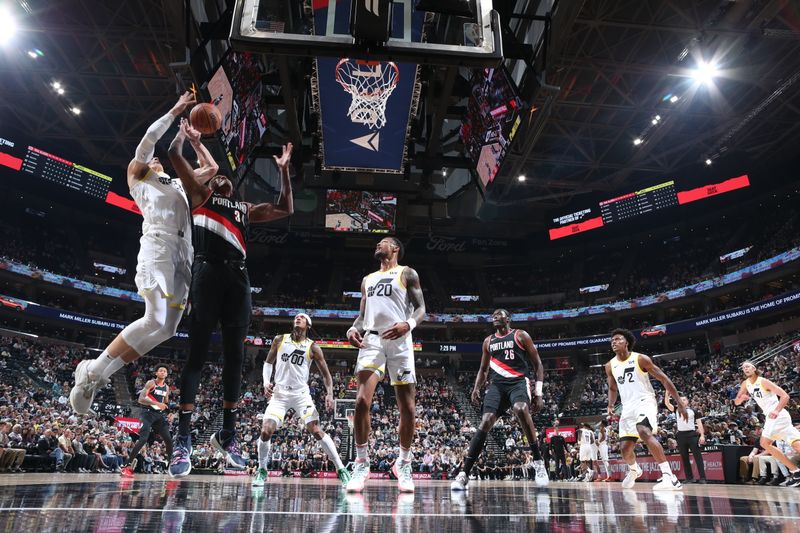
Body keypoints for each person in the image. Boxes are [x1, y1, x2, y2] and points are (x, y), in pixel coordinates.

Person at [168, 120, 294, 477]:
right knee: (196, 356)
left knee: (235, 360)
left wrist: (283, 172)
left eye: (227, 178)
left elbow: (286, 208)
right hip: (206, 274)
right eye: (216, 176)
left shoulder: (246, 210)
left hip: (238, 279)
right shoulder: (199, 195)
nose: (222, 177)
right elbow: (174, 154)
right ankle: (184, 438)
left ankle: (228, 434)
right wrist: (186, 136)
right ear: (209, 182)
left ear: (234, 188)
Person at [69, 92, 204, 414]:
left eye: (158, 160)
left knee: (168, 328)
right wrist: (175, 112)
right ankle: (93, 371)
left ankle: (97, 372)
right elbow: (148, 140)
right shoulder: (140, 176)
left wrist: (196, 143)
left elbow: (208, 171)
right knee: (152, 317)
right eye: (153, 159)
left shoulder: (178, 184)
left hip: (184, 252)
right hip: (158, 243)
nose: (155, 159)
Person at [344, 237, 426, 493]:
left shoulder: (407, 273)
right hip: (372, 340)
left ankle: (403, 463)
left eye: (383, 242)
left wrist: (408, 324)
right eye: (376, 243)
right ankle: (361, 462)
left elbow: (421, 308)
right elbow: (361, 315)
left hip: (400, 341)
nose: (377, 245)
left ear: (396, 248)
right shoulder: (367, 279)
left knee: (408, 407)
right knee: (361, 401)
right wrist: (352, 328)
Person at [451, 309, 549, 491]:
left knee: (520, 409)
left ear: (508, 319)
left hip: (519, 382)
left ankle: (538, 462)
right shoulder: (488, 341)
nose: (495, 317)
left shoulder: (520, 335)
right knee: (486, 421)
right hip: (497, 385)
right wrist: (476, 388)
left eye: (499, 314)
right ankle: (464, 473)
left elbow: (538, 365)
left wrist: (539, 393)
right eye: (493, 316)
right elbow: (483, 369)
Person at [252, 313, 350, 486]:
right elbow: (268, 363)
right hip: (280, 394)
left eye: (302, 318)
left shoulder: (313, 347)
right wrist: (266, 381)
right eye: (296, 317)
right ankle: (262, 470)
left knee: (317, 431)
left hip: (301, 395)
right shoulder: (279, 339)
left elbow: (327, 375)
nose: (298, 318)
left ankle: (341, 469)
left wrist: (330, 394)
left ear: (308, 325)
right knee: (266, 431)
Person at [605, 328, 686, 490]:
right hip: (627, 407)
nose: (614, 342)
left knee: (643, 431)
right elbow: (613, 389)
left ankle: (669, 477)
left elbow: (663, 378)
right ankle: (635, 470)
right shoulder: (609, 365)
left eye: (618, 339)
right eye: (612, 340)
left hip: (645, 401)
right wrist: (610, 404)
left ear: (626, 342)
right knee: (624, 448)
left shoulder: (640, 359)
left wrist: (679, 402)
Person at [734, 360, 800, 487]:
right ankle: (796, 472)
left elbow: (785, 396)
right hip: (774, 417)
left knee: (764, 443)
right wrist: (740, 398)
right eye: (743, 368)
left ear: (754, 368)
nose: (745, 369)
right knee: (797, 445)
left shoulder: (763, 381)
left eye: (748, 366)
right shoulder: (745, 384)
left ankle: (795, 471)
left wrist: (776, 410)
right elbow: (736, 402)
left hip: (777, 415)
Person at [121, 366, 174, 477]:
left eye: (165, 371)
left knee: (169, 440)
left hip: (159, 415)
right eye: (161, 370)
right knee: (143, 439)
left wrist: (170, 412)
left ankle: (171, 466)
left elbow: (165, 403)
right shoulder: (151, 383)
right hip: (147, 413)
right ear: (156, 373)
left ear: (167, 374)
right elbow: (141, 399)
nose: (163, 372)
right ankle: (127, 465)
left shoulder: (167, 388)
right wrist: (157, 404)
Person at [665, 395, 707, 483]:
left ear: (687, 401)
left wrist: (702, 435)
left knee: (697, 457)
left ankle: (702, 478)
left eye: (684, 399)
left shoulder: (694, 411)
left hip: (692, 435)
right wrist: (667, 394)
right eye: (680, 400)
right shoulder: (676, 409)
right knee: (684, 457)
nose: (682, 401)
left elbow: (699, 424)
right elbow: (667, 403)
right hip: (681, 435)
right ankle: (689, 478)